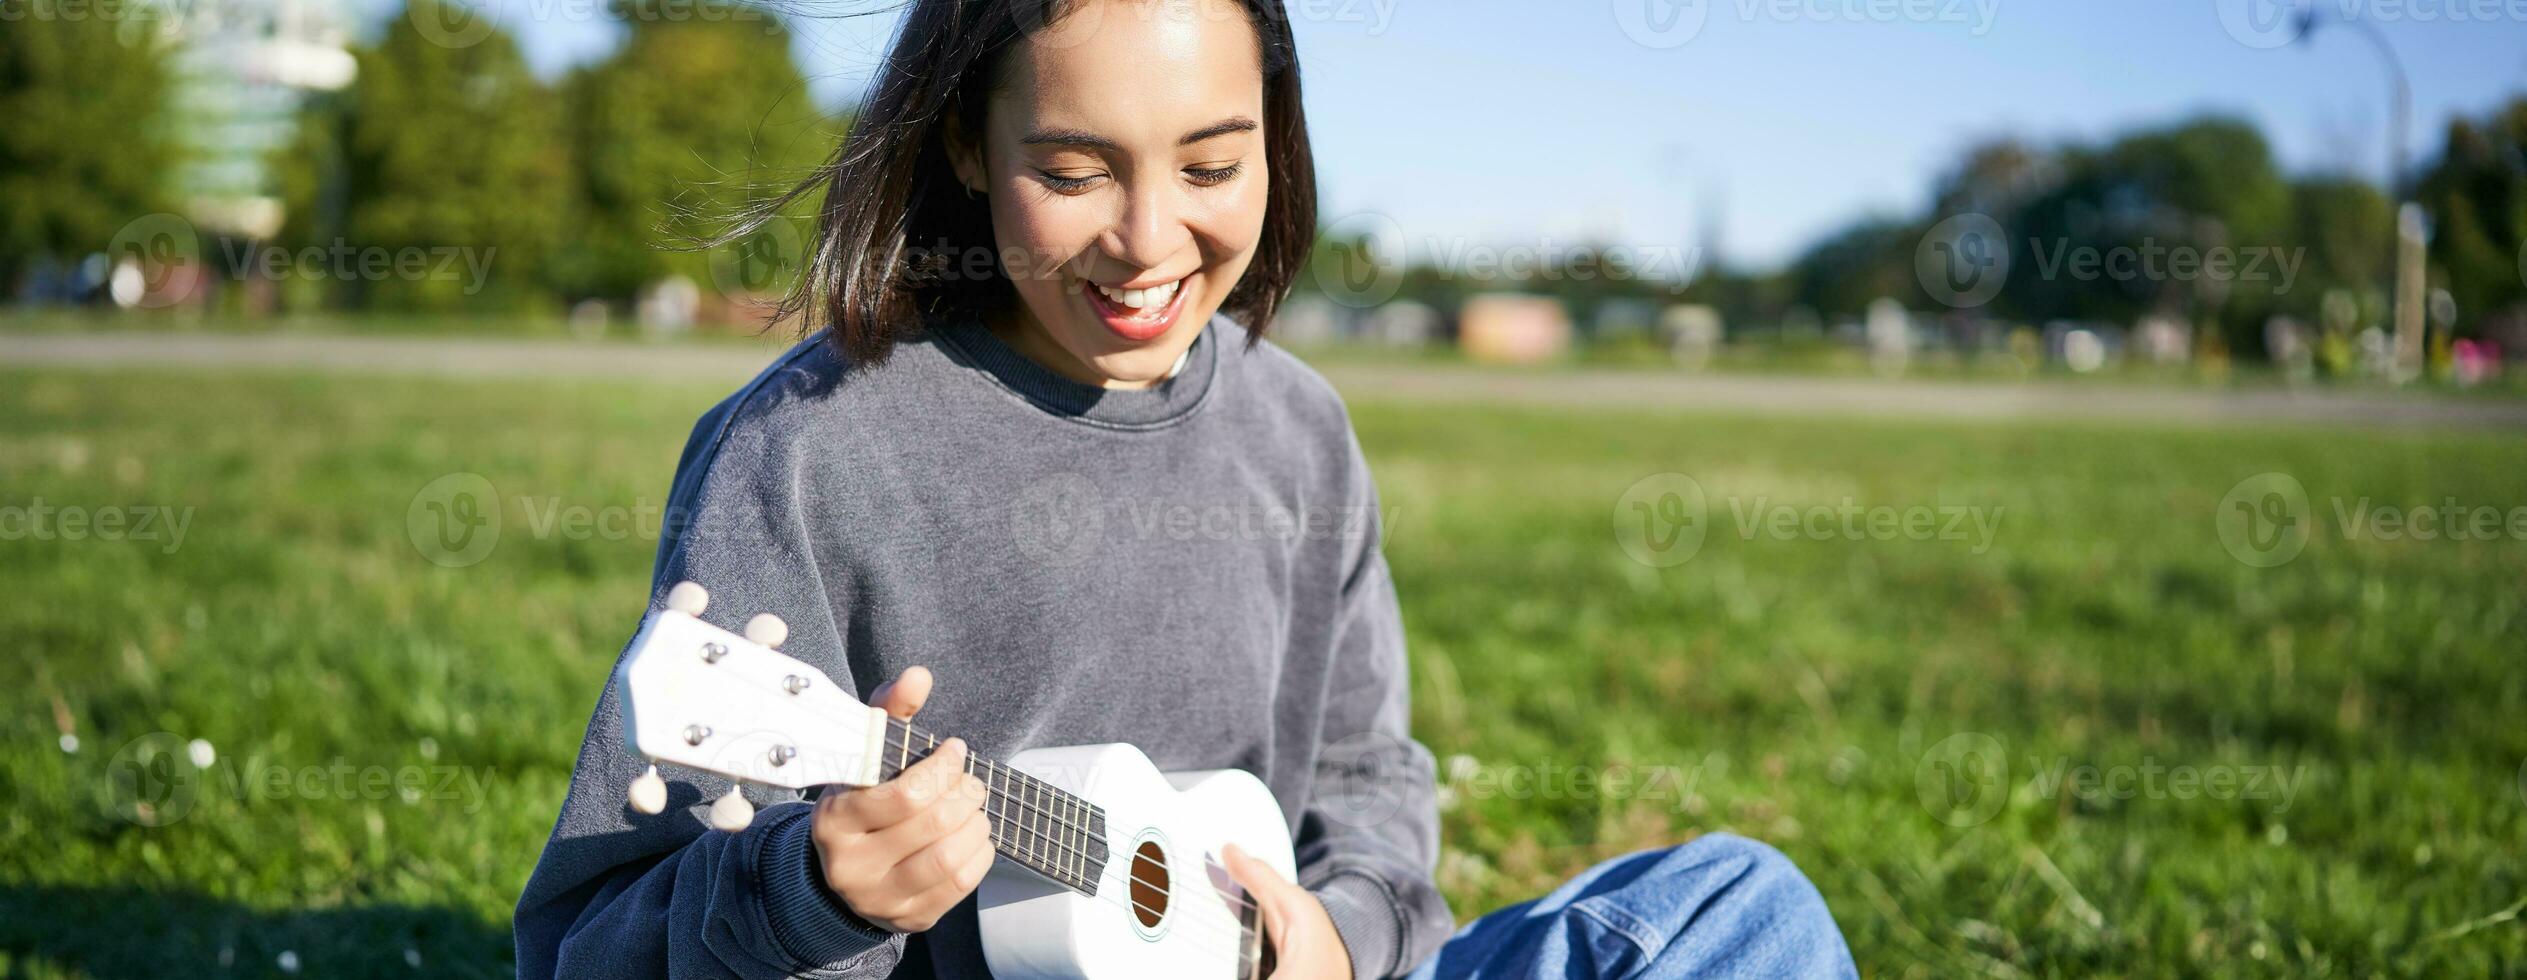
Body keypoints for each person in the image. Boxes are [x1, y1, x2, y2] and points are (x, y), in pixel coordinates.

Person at [513, 1, 1859, 976]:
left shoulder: (1300, 430)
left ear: (1276, 140)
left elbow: (1365, 779)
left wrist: (1342, 933)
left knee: (1740, 903)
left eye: (1212, 167)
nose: (1150, 241)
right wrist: (805, 892)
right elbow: (585, 943)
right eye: (1070, 169)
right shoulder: (807, 448)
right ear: (969, 146)